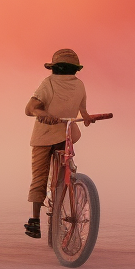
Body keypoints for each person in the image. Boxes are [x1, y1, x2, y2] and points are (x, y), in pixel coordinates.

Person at [23, 48, 95, 238]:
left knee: (40, 177)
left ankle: (35, 219)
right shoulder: (79, 85)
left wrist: (43, 114)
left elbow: (30, 108)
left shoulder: (49, 83)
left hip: (50, 135)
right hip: (62, 133)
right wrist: (44, 114)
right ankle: (42, 217)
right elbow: (32, 109)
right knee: (59, 174)